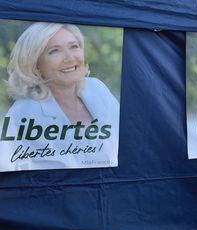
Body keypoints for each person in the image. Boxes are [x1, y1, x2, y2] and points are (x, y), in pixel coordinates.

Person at [1, 22, 119, 171]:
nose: (69, 58)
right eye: (54, 51)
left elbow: (127, 143)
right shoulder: (21, 113)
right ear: (35, 64)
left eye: (74, 46)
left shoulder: (97, 89)